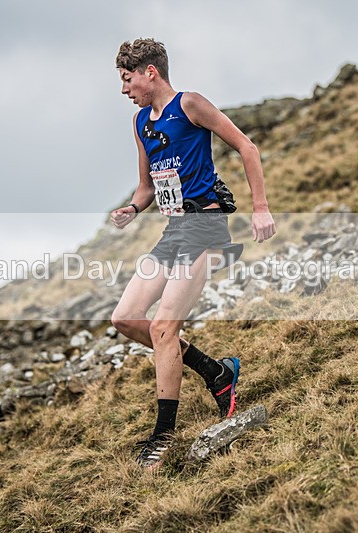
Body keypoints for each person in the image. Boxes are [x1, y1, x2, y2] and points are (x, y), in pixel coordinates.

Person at [109, 38, 275, 471]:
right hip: (174, 231)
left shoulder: (190, 104)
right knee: (125, 318)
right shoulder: (140, 121)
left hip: (205, 226)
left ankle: (163, 436)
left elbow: (247, 147)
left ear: (150, 73)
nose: (124, 89)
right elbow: (146, 187)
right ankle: (216, 373)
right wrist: (132, 209)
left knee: (164, 327)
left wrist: (260, 208)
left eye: (127, 80)